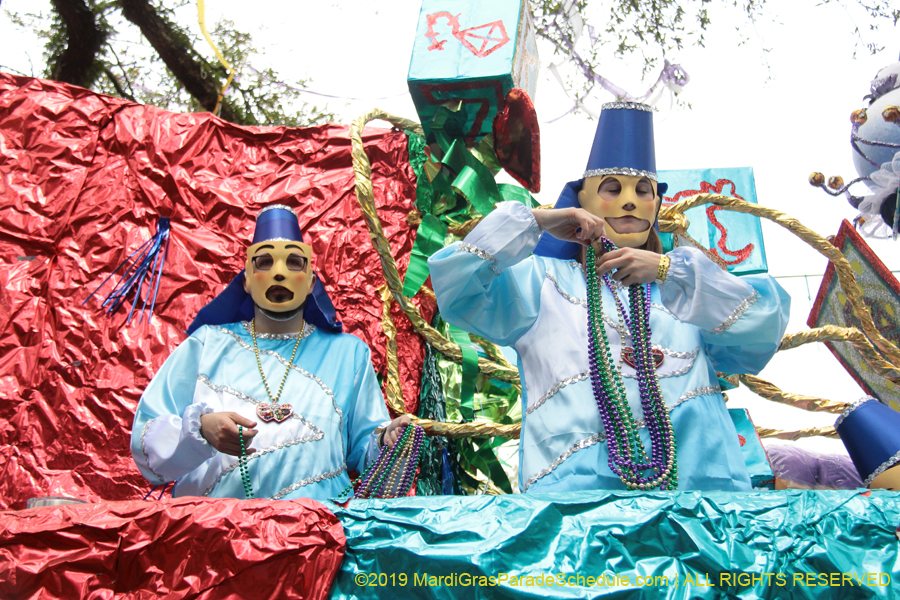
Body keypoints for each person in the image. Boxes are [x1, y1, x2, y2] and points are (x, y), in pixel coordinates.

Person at [428, 102, 791, 493]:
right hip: (577, 510)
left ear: (657, 205)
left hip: (701, 503)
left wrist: (670, 272)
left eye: (643, 191)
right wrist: (538, 221)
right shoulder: (542, 283)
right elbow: (456, 284)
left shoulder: (687, 291)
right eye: (612, 189)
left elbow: (762, 326)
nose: (630, 201)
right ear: (581, 202)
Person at [131, 205, 408, 501]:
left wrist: (386, 440)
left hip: (318, 533)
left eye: (293, 262)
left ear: (311, 281)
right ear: (247, 281)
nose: (279, 273)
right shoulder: (206, 345)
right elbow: (146, 440)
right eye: (264, 262)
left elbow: (365, 453)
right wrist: (201, 430)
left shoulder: (348, 355)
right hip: (214, 533)